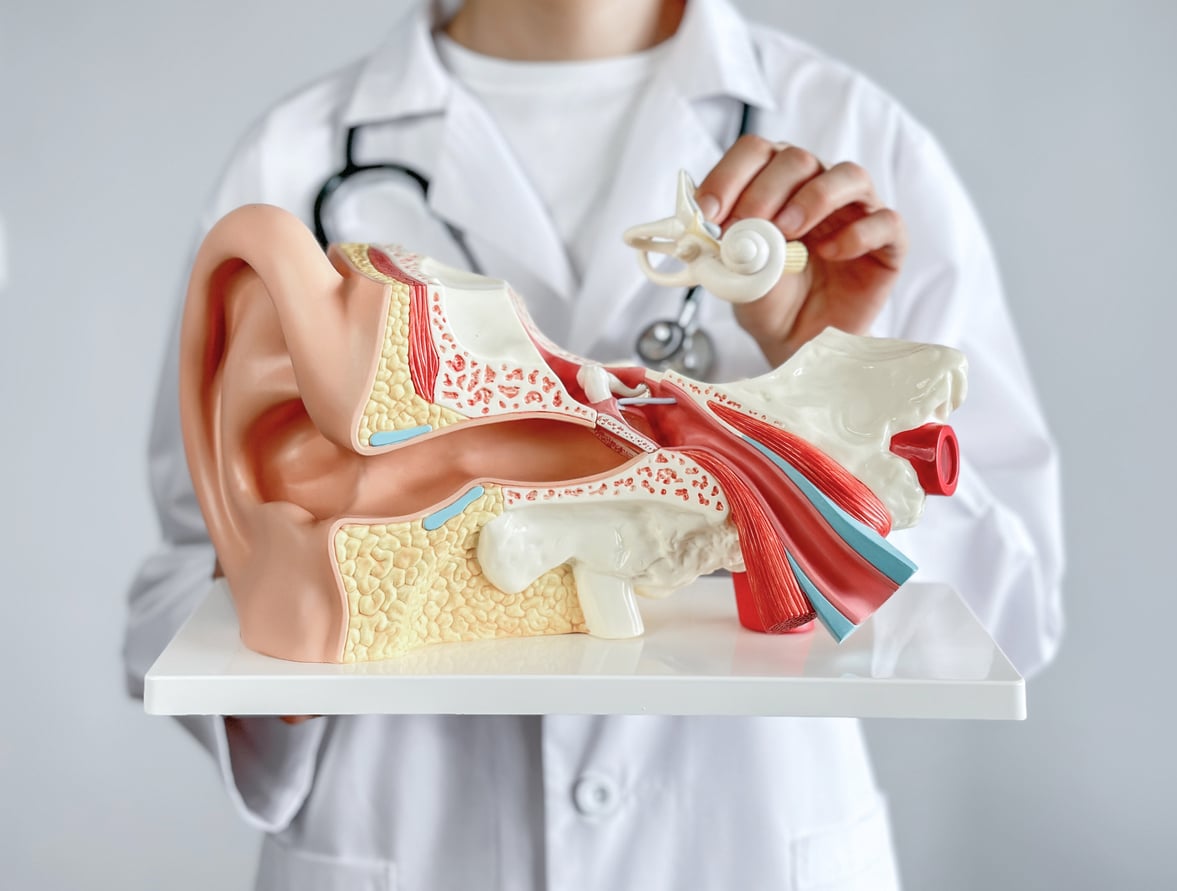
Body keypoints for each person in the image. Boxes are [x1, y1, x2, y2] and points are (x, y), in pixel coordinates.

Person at [124, 0, 1063, 888]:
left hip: (741, 843)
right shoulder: (293, 154)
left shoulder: (855, 138)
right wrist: (327, 610)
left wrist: (817, 408)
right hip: (409, 839)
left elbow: (1006, 613)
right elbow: (181, 586)